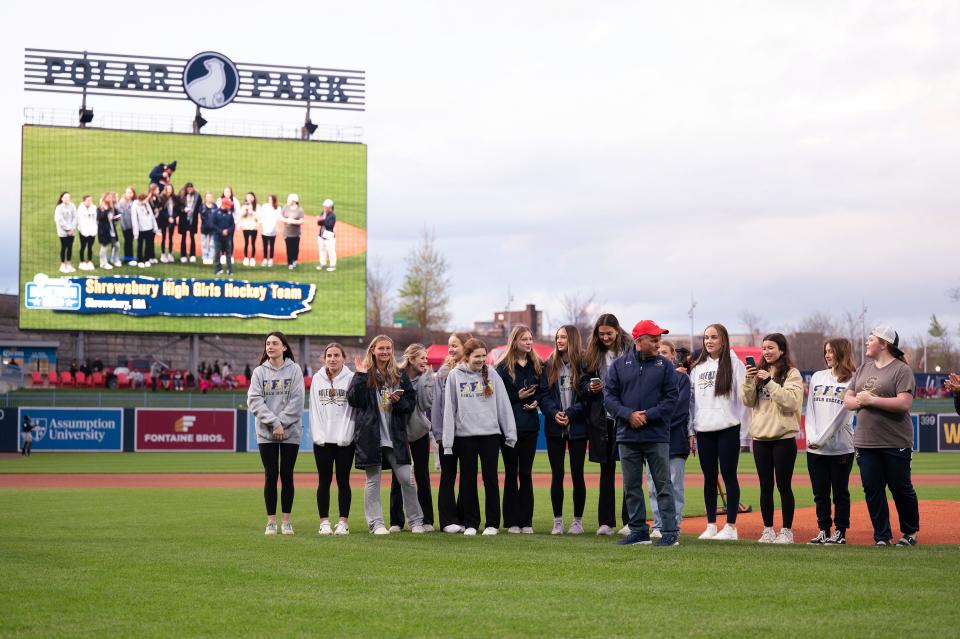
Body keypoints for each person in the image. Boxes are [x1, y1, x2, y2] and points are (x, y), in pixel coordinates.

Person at [604, 319, 680, 547]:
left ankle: (669, 531)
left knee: (663, 484)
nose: (658, 344)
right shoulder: (618, 365)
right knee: (631, 486)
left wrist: (646, 415)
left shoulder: (665, 366)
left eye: (659, 339)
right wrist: (628, 415)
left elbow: (672, 399)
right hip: (627, 435)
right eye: (653, 339)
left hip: (656, 435)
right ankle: (638, 530)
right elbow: (608, 397)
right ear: (639, 340)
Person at [843, 326, 919, 547]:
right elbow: (847, 397)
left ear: (884, 344)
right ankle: (882, 536)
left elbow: (904, 403)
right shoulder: (863, 369)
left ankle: (910, 532)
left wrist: (871, 400)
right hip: (865, 441)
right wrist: (858, 401)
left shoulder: (901, 370)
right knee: (873, 489)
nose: (867, 342)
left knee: (900, 487)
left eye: (871, 339)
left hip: (895, 441)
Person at [347, 335, 425, 535]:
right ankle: (376, 523)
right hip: (371, 437)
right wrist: (361, 375)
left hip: (395, 437)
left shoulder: (399, 374)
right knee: (373, 480)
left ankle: (416, 521)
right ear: (373, 350)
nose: (385, 352)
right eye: (381, 348)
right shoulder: (365, 374)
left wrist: (398, 400)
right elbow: (354, 400)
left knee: (406, 478)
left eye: (388, 348)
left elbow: (410, 403)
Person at [443, 338, 517, 535]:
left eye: (484, 356)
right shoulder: (454, 376)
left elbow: (503, 404)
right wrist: (448, 442)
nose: (481, 360)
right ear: (466, 357)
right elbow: (449, 410)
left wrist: (510, 433)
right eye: (477, 356)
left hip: (490, 436)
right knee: (467, 481)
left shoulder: (492, 374)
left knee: (490, 479)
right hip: (465, 437)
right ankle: (471, 524)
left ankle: (492, 524)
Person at [688, 323, 749, 541]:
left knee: (729, 476)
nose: (709, 341)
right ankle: (711, 524)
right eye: (706, 337)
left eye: (713, 337)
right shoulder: (698, 368)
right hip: (704, 429)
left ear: (723, 339)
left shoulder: (735, 364)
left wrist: (743, 431)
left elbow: (744, 401)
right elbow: (692, 403)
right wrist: (692, 430)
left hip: (728, 428)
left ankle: (731, 527)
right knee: (709, 478)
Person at [743, 332, 803, 544]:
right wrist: (751, 379)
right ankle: (768, 529)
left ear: (782, 350)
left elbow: (790, 402)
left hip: (783, 437)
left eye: (771, 348)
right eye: (764, 348)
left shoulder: (792, 374)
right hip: (760, 437)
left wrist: (769, 381)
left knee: (783, 485)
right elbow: (748, 401)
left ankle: (787, 531)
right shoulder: (758, 372)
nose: (766, 352)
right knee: (765, 486)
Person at [247, 331, 305, 536]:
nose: (270, 347)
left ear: (284, 347)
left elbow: (298, 400)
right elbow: (254, 401)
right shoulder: (259, 372)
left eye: (275, 343)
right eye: (268, 343)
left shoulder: (295, 370)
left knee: (287, 475)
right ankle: (271, 522)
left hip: (290, 431)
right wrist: (273, 423)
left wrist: (282, 423)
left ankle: (286, 521)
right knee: (270, 475)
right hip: (266, 432)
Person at [582, 313, 633, 536]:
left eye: (609, 333)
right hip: (602, 419)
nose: (605, 337)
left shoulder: (631, 349)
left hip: (626, 416)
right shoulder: (593, 354)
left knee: (629, 470)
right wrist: (589, 388)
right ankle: (606, 522)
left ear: (617, 330)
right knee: (606, 470)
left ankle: (630, 520)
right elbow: (583, 381)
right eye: (601, 334)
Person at [805, 338, 857, 545]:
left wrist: (822, 439)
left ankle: (840, 532)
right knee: (820, 493)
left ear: (841, 353)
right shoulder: (818, 376)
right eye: (825, 351)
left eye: (831, 351)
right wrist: (812, 438)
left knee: (840, 492)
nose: (827, 355)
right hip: (815, 448)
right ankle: (823, 530)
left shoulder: (852, 380)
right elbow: (809, 410)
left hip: (841, 448)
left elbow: (843, 416)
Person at [540, 325, 590, 535]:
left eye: (563, 337)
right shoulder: (549, 364)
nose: (559, 340)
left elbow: (589, 398)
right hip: (555, 427)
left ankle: (577, 521)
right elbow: (543, 394)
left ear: (572, 339)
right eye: (557, 337)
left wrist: (570, 412)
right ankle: (557, 521)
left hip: (577, 427)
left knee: (577, 474)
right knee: (557, 474)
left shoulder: (585, 364)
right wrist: (554, 413)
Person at [495, 324, 543, 534]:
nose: (529, 342)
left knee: (526, 473)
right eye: (524, 339)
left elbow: (543, 392)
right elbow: (498, 398)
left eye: (530, 339)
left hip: (530, 427)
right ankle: (512, 521)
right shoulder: (502, 368)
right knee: (511, 473)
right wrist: (518, 397)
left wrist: (535, 402)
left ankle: (527, 521)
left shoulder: (538, 365)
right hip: (509, 427)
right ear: (515, 341)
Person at [309, 342, 356, 536]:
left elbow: (354, 409)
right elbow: (314, 409)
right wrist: (318, 435)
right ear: (324, 358)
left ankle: (343, 522)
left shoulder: (352, 378)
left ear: (343, 358)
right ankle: (324, 522)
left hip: (345, 440)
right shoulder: (317, 379)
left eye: (337, 355)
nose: (333, 359)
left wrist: (347, 435)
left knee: (343, 480)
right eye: (329, 355)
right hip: (323, 440)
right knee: (324, 481)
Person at [646, 340, 691, 539]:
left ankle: (673, 525)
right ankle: (657, 525)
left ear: (673, 355)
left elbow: (679, 409)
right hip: (652, 439)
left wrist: (654, 419)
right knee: (653, 486)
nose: (661, 354)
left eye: (665, 352)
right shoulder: (648, 376)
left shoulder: (681, 379)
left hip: (674, 439)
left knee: (674, 486)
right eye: (659, 351)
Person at [389, 344, 435, 532]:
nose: (425, 361)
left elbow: (425, 405)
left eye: (426, 358)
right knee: (397, 476)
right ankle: (396, 521)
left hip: (419, 432)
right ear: (411, 358)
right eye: (422, 358)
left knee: (422, 475)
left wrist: (426, 381)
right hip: (398, 432)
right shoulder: (396, 376)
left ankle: (427, 520)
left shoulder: (426, 378)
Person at [430, 332, 472, 533]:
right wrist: (438, 434)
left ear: (466, 346)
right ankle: (448, 521)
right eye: (450, 345)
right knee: (448, 476)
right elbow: (437, 405)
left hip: (468, 434)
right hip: (446, 434)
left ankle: (464, 518)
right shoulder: (444, 372)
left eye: (455, 345)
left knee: (467, 476)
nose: (451, 349)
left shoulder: (475, 371)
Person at [131, 191, 157, 268]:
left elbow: (151, 215)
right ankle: (140, 260)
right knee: (140, 245)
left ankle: (147, 259)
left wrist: (155, 227)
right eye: (146, 199)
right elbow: (134, 219)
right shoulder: (135, 205)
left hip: (149, 228)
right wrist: (136, 232)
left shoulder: (146, 204)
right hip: (140, 229)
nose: (147, 201)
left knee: (148, 244)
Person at [54, 192, 77, 274]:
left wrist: (73, 228)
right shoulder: (59, 208)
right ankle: (63, 265)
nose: (67, 199)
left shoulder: (72, 205)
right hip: (63, 231)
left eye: (68, 197)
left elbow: (75, 217)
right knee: (64, 247)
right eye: (65, 197)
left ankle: (69, 263)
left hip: (72, 231)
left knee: (70, 247)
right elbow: (60, 220)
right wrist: (68, 229)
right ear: (62, 198)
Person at [177, 183, 200, 263]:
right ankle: (183, 255)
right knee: (183, 237)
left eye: (191, 188)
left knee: (192, 236)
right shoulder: (181, 195)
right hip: (184, 219)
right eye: (188, 188)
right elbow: (178, 206)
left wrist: (194, 212)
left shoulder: (197, 196)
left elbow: (199, 207)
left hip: (193, 220)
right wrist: (183, 209)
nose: (190, 190)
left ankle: (192, 255)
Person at [96, 192, 119, 270]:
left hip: (112, 230)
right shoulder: (100, 208)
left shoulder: (111, 207)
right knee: (104, 247)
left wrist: (116, 218)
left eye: (110, 198)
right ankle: (103, 263)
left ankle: (114, 259)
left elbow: (115, 215)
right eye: (108, 197)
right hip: (103, 231)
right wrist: (105, 211)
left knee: (116, 245)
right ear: (104, 198)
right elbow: (100, 218)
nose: (110, 199)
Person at [212, 199, 236, 276]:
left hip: (227, 237)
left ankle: (230, 270)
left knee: (228, 254)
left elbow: (233, 225)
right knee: (217, 253)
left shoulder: (230, 213)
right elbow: (212, 225)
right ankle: (218, 269)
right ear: (224, 205)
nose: (230, 206)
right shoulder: (216, 213)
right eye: (229, 205)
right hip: (218, 237)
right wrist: (221, 231)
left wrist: (228, 231)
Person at [281, 193, 304, 269]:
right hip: (287, 233)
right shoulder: (285, 207)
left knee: (295, 248)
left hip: (296, 233)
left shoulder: (300, 210)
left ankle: (294, 260)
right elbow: (280, 217)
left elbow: (301, 221)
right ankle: (289, 262)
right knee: (288, 248)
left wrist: (293, 221)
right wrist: (287, 220)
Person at [76, 194, 98, 271]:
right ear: (84, 201)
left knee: (90, 247)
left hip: (92, 230)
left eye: (90, 200)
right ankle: (82, 262)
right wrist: (81, 230)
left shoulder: (94, 207)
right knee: (83, 246)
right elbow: (79, 221)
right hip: (83, 231)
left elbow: (95, 219)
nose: (89, 202)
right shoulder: (80, 209)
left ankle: (89, 261)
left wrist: (95, 228)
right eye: (88, 200)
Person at [116, 187, 136, 265]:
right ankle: (127, 259)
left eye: (131, 192)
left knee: (130, 241)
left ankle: (130, 258)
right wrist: (123, 226)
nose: (129, 194)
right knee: (127, 242)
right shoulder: (122, 201)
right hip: (125, 225)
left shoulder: (133, 201)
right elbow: (120, 213)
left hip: (132, 225)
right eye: (128, 192)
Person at [259, 194, 281, 266]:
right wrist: (261, 227)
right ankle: (265, 259)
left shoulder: (277, 208)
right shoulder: (264, 206)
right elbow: (261, 217)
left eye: (271, 199)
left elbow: (278, 219)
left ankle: (271, 259)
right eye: (269, 199)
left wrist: (277, 228)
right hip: (265, 228)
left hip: (273, 229)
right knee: (265, 245)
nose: (270, 201)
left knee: (272, 245)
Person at [158, 184, 178, 263]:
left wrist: (173, 217)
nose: (169, 190)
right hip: (164, 220)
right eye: (168, 188)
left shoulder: (174, 198)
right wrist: (168, 217)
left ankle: (170, 253)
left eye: (170, 189)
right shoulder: (162, 198)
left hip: (172, 220)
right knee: (163, 237)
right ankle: (163, 254)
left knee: (171, 237)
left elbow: (177, 209)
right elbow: (161, 210)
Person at [316, 198, 337, 272]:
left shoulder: (332, 216)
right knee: (321, 250)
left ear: (330, 207)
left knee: (331, 251)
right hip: (321, 235)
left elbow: (329, 225)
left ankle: (332, 265)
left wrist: (323, 219)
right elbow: (318, 223)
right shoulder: (323, 213)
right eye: (324, 206)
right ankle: (323, 264)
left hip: (329, 235)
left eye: (326, 207)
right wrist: (321, 219)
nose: (324, 208)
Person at [239, 192, 259, 267]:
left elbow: (259, 217)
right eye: (248, 197)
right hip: (246, 227)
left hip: (253, 227)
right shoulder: (244, 206)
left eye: (251, 197)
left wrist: (252, 212)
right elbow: (240, 216)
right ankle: (246, 258)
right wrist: (246, 210)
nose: (249, 198)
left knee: (253, 243)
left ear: (253, 198)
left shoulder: (257, 206)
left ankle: (253, 258)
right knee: (246, 243)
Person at [199, 192, 218, 265]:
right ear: (205, 198)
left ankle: (210, 257)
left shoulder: (215, 206)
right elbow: (201, 216)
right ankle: (204, 257)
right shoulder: (202, 206)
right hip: (204, 227)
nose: (209, 198)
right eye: (208, 197)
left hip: (213, 228)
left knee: (212, 244)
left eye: (210, 197)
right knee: (204, 243)